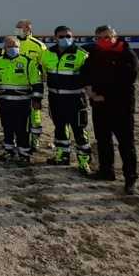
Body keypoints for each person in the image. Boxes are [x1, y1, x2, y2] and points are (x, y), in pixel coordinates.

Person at [84, 25, 139, 194]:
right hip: (99, 105)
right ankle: (106, 171)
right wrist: (89, 89)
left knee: (126, 143)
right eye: (99, 38)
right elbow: (85, 71)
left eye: (107, 37)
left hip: (121, 106)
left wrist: (105, 96)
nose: (103, 41)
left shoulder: (127, 54)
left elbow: (127, 79)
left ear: (115, 36)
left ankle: (130, 178)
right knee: (103, 140)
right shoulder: (94, 52)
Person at [41, 26, 92, 174]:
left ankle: (84, 161)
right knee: (60, 128)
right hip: (55, 98)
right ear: (55, 37)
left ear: (73, 37)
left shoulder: (81, 55)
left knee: (79, 129)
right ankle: (62, 155)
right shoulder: (46, 54)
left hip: (75, 98)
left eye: (68, 36)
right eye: (61, 36)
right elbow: (43, 73)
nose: (65, 39)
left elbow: (88, 77)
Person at [0, 36, 43, 164]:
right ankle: (9, 151)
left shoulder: (28, 62)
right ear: (4, 48)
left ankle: (24, 154)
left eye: (16, 46)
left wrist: (37, 100)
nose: (13, 48)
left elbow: (37, 83)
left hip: (23, 103)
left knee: (22, 129)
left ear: (20, 47)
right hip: (4, 103)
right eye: (9, 46)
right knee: (7, 127)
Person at [15, 20, 47, 151]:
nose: (17, 29)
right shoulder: (12, 43)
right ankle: (20, 139)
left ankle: (35, 140)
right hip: (16, 85)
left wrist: (41, 87)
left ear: (28, 29)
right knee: (19, 114)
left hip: (33, 85)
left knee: (35, 114)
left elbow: (44, 68)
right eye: (16, 27)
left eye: (19, 27)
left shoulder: (38, 45)